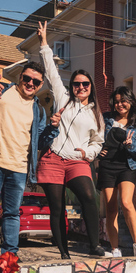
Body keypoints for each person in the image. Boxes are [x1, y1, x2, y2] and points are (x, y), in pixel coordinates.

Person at [0, 61, 51, 265]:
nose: (30, 83)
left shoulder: (38, 110)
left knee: (12, 213)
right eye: (27, 78)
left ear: (40, 85)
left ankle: (10, 255)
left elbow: (40, 141)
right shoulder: (0, 91)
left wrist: (53, 128)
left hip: (19, 168)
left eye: (36, 82)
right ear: (20, 77)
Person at [36, 21, 106, 259]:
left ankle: (94, 245)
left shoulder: (96, 114)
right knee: (57, 207)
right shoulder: (62, 99)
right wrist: (44, 43)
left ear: (90, 87)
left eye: (85, 84)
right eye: (77, 84)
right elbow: (51, 72)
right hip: (52, 158)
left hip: (77, 161)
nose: (81, 87)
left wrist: (87, 154)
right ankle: (64, 253)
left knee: (89, 196)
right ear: (72, 86)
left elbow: (98, 142)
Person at [100, 86, 136, 257]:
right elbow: (93, 136)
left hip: (127, 165)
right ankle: (115, 249)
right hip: (107, 165)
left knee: (127, 202)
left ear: (130, 101)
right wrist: (98, 150)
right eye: (117, 101)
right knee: (111, 208)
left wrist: (132, 147)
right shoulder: (105, 118)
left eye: (123, 101)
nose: (120, 104)